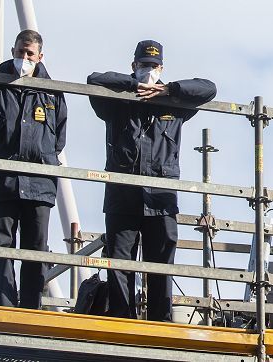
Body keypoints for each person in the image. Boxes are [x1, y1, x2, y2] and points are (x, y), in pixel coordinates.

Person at [87, 40, 216, 321]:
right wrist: (134, 87)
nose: (149, 71)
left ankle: (161, 321)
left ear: (162, 68)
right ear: (133, 66)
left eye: (154, 66)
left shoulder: (174, 103)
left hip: (161, 197)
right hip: (123, 195)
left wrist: (168, 90)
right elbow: (95, 79)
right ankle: (122, 319)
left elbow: (208, 88)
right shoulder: (116, 102)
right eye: (143, 65)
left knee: (161, 264)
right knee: (120, 263)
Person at [0, 29, 67, 309]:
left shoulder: (53, 92)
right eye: (20, 52)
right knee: (1, 249)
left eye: (29, 53)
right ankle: (4, 311)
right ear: (12, 51)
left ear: (40, 56)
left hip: (39, 185)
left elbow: (58, 138)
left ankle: (31, 310)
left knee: (36, 250)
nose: (24, 58)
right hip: (3, 181)